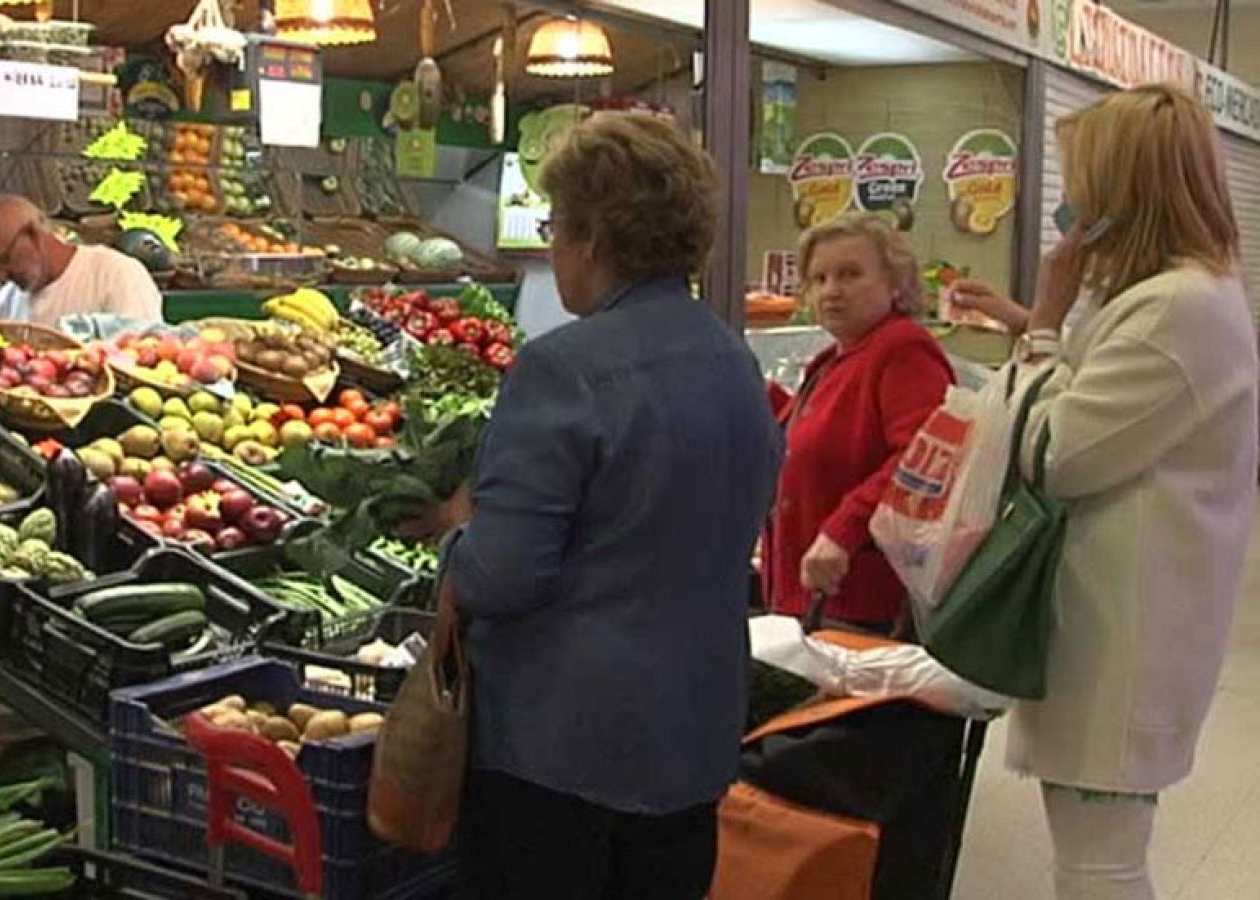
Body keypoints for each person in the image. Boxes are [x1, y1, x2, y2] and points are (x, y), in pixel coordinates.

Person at [408, 112, 782, 899]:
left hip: (562, 753)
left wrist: (452, 536)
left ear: (594, 238)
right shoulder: (732, 358)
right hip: (693, 738)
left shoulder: (561, 370)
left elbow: (502, 577)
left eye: (555, 227)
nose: (553, 248)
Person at [969, 84, 1257, 900]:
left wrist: (1043, 325)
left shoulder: (1176, 309)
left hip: (1123, 634)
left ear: (1123, 192)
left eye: (1081, 184)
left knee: (1100, 863)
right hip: (1120, 613)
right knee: (1096, 854)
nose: (1071, 206)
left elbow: (1052, 454)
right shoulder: (1167, 298)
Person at [763, 213, 954, 631]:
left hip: (861, 601)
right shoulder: (834, 359)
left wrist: (842, 530)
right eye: (819, 279)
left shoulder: (902, 348)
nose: (831, 291)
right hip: (811, 595)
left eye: (850, 275)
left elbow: (923, 460)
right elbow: (820, 436)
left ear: (895, 282)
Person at [0, 194, 163, 326]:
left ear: (35, 233)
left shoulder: (116, 276)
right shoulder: (7, 301)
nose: (2, 274)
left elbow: (141, 355)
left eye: (5, 259)